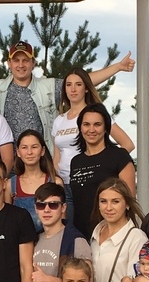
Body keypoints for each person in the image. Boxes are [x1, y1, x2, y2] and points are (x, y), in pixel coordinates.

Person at [0, 41, 135, 150]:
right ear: (9, 63)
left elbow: (84, 80)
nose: (21, 65)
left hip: (42, 159)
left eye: (25, 60)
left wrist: (117, 67)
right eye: (16, 60)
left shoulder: (48, 86)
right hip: (9, 161)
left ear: (33, 62)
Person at [53, 68, 134, 225]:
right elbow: (57, 155)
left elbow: (127, 144)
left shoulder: (95, 114)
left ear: (86, 88)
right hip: (66, 184)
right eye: (69, 85)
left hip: (94, 182)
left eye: (78, 84)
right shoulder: (59, 120)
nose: (73, 89)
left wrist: (106, 163)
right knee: (72, 229)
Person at [69, 104, 136, 238]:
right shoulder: (76, 161)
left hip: (112, 234)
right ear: (80, 127)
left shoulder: (119, 156)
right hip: (81, 234)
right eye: (86, 124)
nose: (91, 130)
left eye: (97, 124)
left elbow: (129, 200)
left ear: (106, 128)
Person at [7, 129, 61, 231]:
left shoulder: (55, 182)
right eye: (24, 147)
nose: (29, 152)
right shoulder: (11, 185)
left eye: (34, 147)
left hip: (49, 238)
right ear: (18, 152)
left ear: (42, 151)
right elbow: (7, 221)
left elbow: (62, 221)